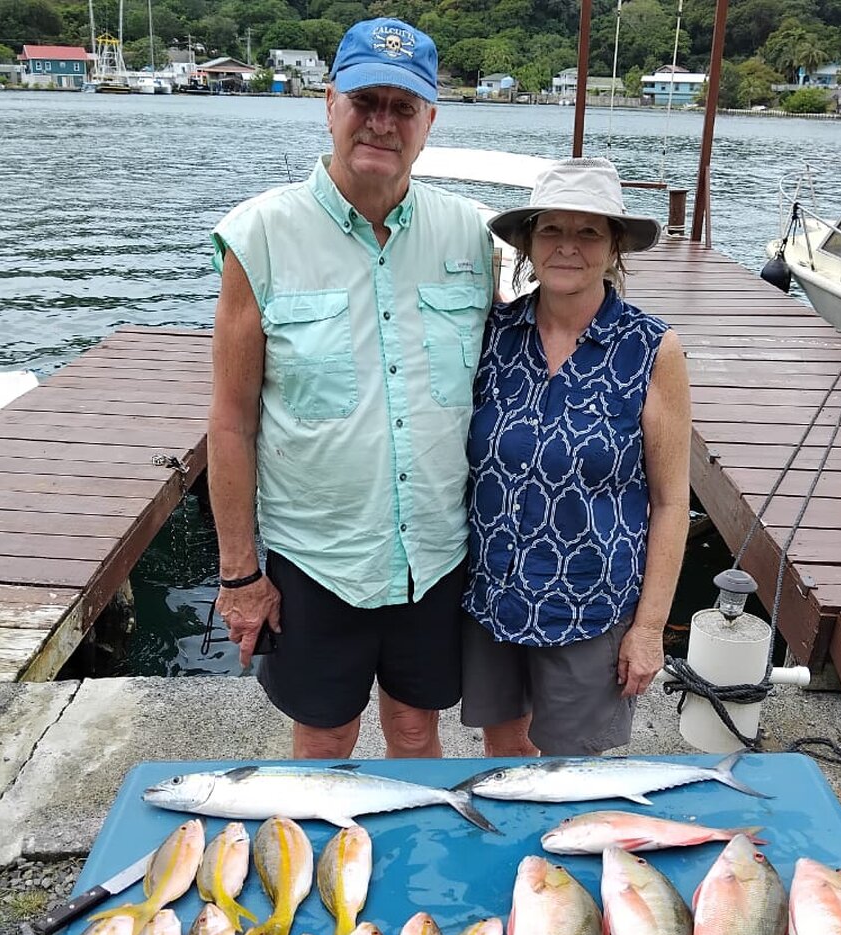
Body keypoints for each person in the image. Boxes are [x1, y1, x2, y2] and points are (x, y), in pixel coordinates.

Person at [207, 19, 493, 759]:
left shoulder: (471, 236)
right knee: (326, 734)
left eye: (404, 107)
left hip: (435, 550)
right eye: (366, 100)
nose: (382, 123)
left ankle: (411, 839)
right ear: (330, 102)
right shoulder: (259, 235)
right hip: (318, 556)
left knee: (416, 727)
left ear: (430, 121)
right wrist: (240, 573)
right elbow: (232, 420)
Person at [460, 157, 692, 758]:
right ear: (528, 244)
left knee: (573, 773)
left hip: (590, 602)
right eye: (551, 230)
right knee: (504, 756)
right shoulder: (493, 334)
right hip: (493, 594)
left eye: (588, 231)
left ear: (614, 247)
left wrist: (649, 628)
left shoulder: (651, 348)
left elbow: (671, 502)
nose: (567, 246)